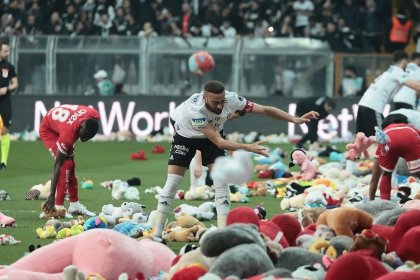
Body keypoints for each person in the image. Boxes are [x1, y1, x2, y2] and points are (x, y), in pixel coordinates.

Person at [152, 80, 319, 240]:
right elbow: (219, 142)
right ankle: (157, 235)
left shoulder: (232, 99)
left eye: (222, 100)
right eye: (215, 101)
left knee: (221, 181)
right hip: (186, 137)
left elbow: (265, 110)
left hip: (213, 135)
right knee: (173, 182)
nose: (220, 105)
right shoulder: (194, 110)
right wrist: (248, 147)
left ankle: (222, 233)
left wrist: (294, 119)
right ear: (204, 97)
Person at [40, 104, 99, 216]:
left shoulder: (94, 115)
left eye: (89, 138)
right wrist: (52, 194)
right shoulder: (68, 135)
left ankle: (74, 204)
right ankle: (58, 206)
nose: (85, 139)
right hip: (49, 130)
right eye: (84, 135)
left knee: (71, 163)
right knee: (65, 164)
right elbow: (57, 165)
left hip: (63, 122)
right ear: (81, 127)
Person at [356, 50, 420, 137]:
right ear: (405, 61)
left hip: (363, 104)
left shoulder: (389, 71)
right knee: (379, 139)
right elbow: (417, 87)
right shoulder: (398, 72)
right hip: (373, 107)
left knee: (361, 139)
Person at [369, 110, 420, 200]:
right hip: (410, 136)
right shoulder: (411, 128)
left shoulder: (384, 134)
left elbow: (374, 177)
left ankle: (386, 205)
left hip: (389, 139)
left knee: (386, 174)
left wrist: (371, 199)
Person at [0, 39, 18, 170]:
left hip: (5, 101)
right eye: (5, 51)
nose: (7, 53)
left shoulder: (9, 67)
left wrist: (7, 89)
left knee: (5, 130)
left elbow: (16, 84)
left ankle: (3, 162)